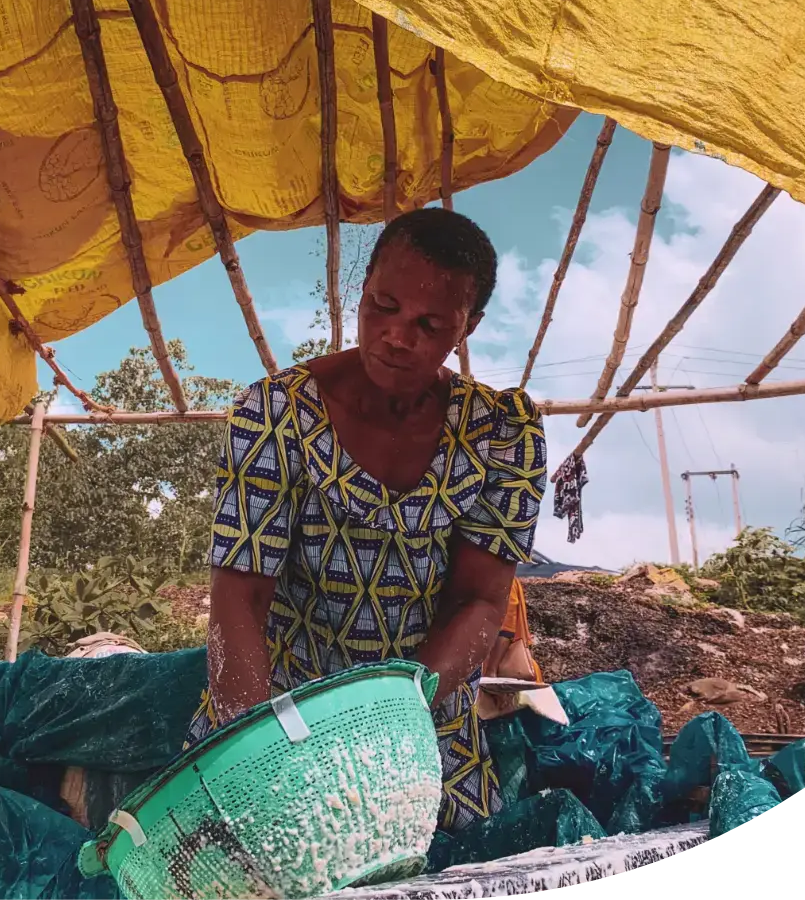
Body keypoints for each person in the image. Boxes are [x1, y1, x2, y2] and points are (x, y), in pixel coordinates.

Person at [188, 208, 549, 833]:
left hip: (421, 719)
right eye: (382, 306)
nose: (397, 336)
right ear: (361, 293)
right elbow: (239, 597)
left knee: (434, 861)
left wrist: (390, 722)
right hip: (275, 707)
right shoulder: (276, 412)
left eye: (429, 324)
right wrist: (257, 753)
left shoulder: (503, 432)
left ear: (469, 326)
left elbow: (479, 600)